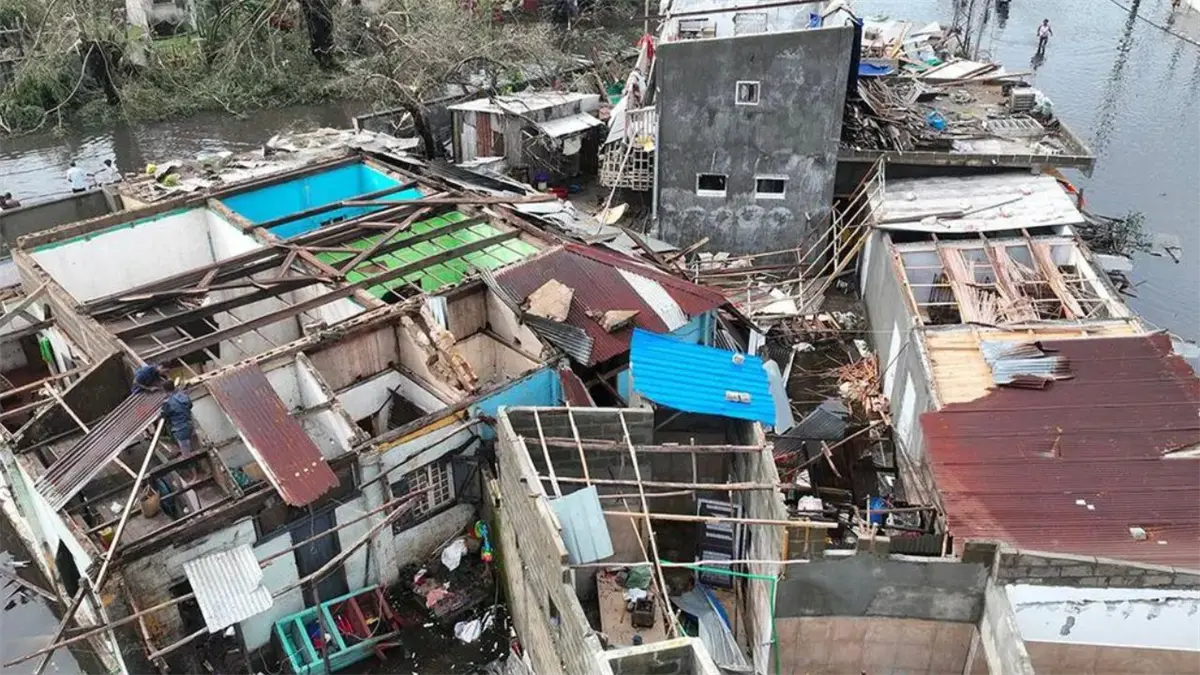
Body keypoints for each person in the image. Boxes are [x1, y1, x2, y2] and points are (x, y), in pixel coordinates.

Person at [160, 380, 196, 456]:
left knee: (186, 454)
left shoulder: (167, 403)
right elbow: (190, 405)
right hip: (190, 425)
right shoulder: (184, 396)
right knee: (196, 449)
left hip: (180, 430)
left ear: (165, 390)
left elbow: (163, 415)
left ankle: (191, 464)